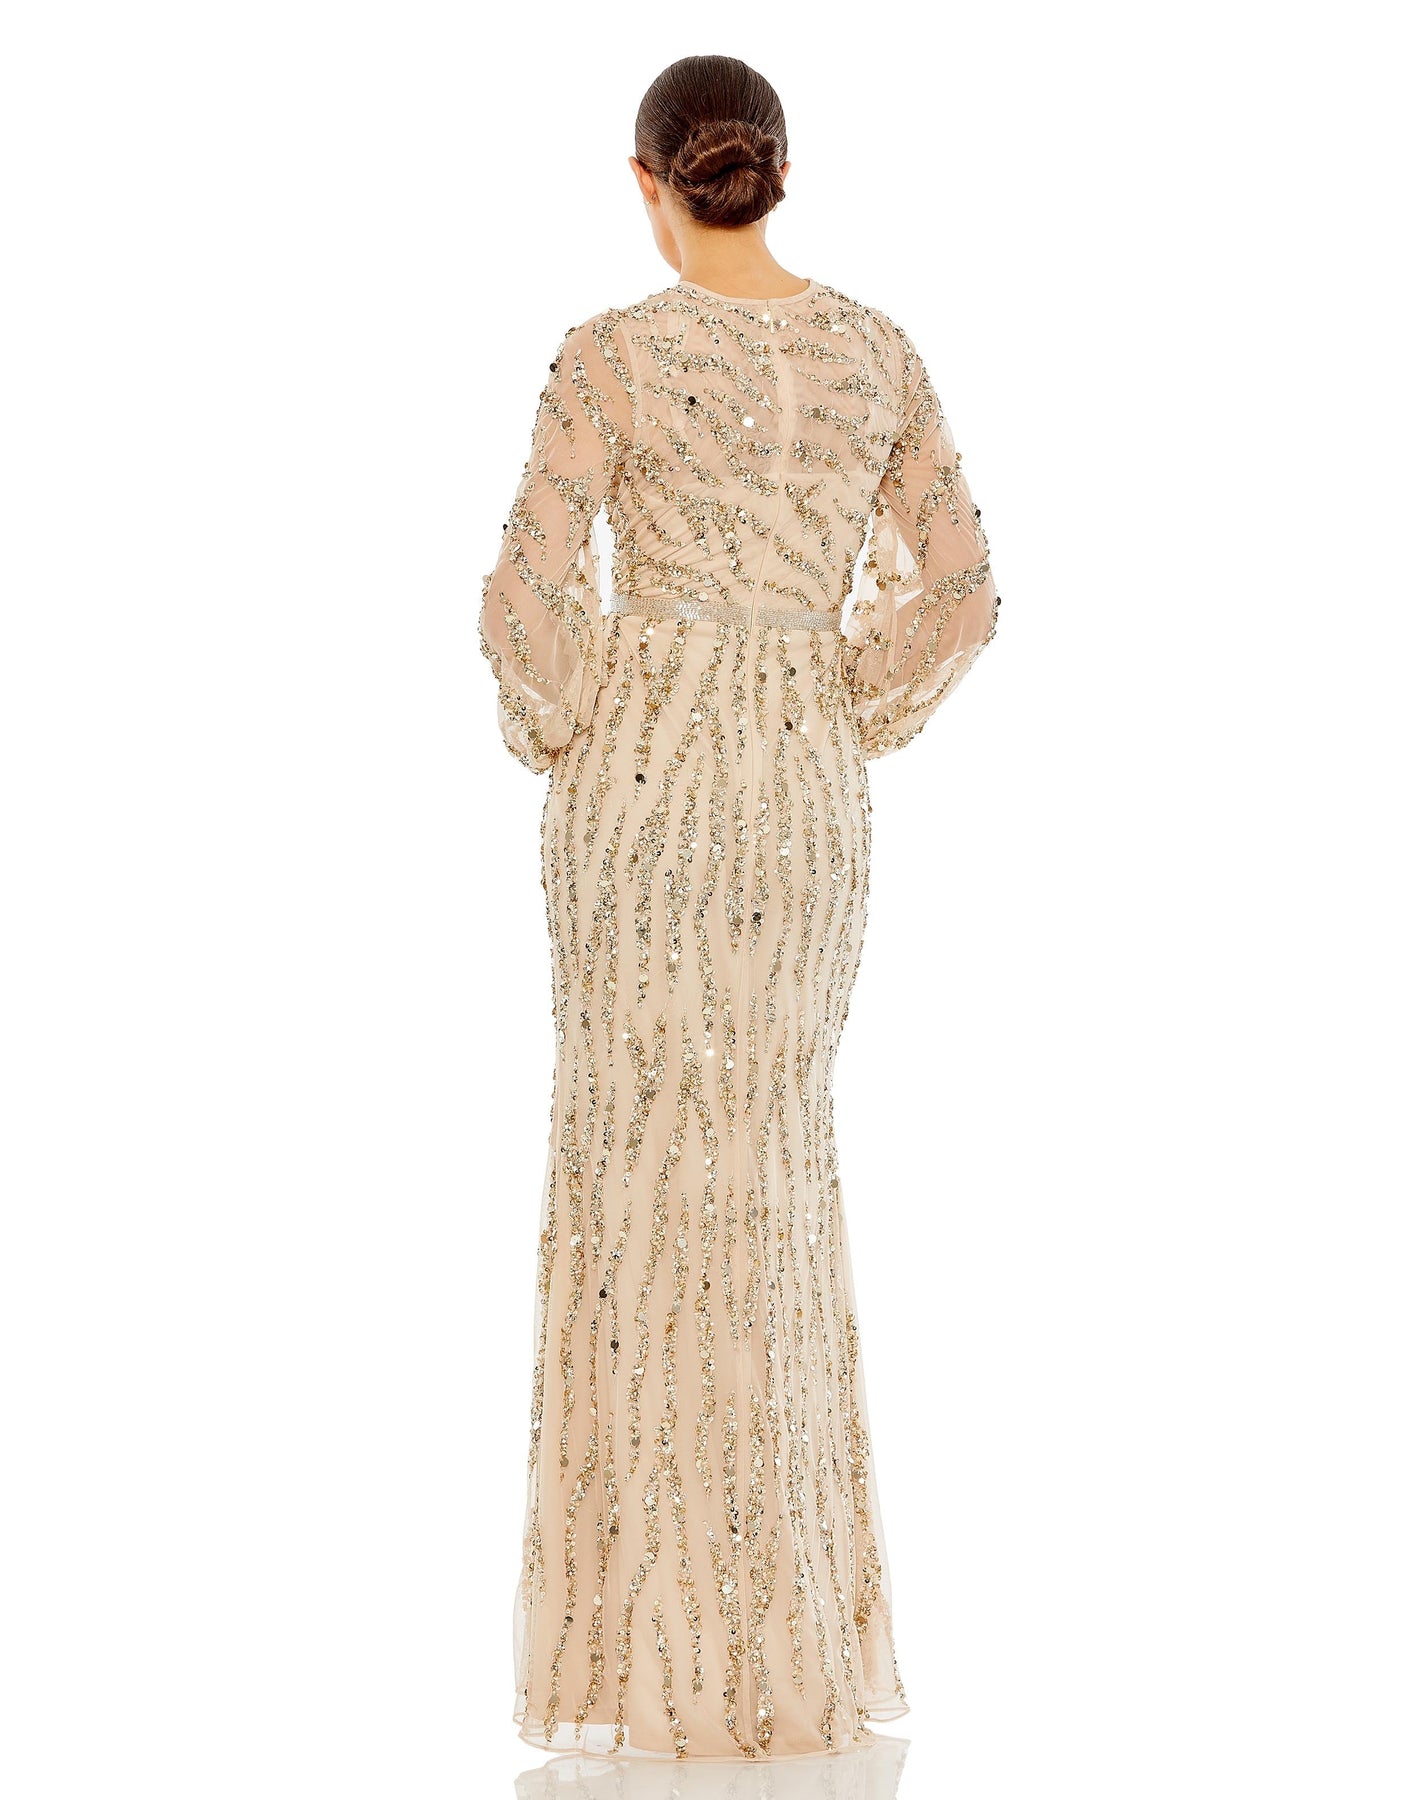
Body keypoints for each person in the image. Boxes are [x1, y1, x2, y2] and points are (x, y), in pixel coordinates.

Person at [479, 52, 1000, 1763]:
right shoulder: (876, 356)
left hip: (638, 782)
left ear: (647, 181)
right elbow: (961, 592)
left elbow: (527, 596)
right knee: (769, 1171)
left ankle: (640, 1665)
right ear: (777, 170)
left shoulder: (607, 356)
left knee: (636, 1175)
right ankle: (781, 1651)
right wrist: (829, 699)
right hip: (796, 785)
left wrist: (576, 723)